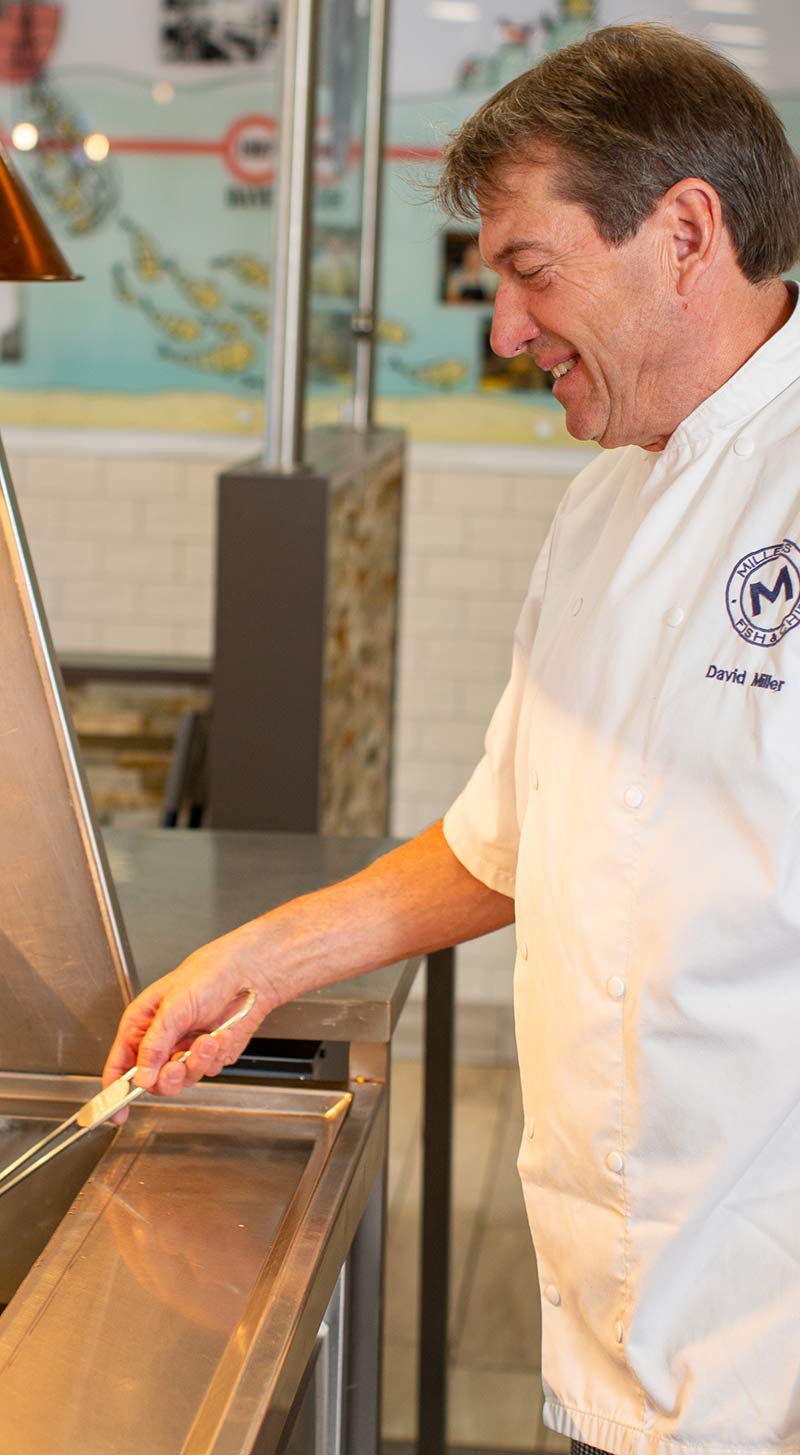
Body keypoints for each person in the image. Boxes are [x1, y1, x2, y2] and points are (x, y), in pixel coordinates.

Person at [104, 23, 800, 1455]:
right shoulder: (602, 504)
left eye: (531, 273)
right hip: (614, 1333)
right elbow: (511, 845)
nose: (502, 332)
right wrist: (259, 962)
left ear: (685, 233)